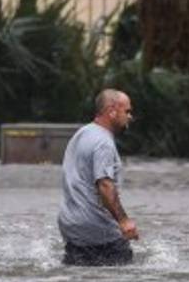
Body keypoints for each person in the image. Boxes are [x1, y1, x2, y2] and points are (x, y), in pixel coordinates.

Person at [58, 88, 139, 266]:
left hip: (72, 227)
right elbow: (105, 185)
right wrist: (124, 221)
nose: (130, 117)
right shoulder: (104, 143)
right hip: (97, 230)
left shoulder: (82, 133)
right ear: (112, 111)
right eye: (127, 111)